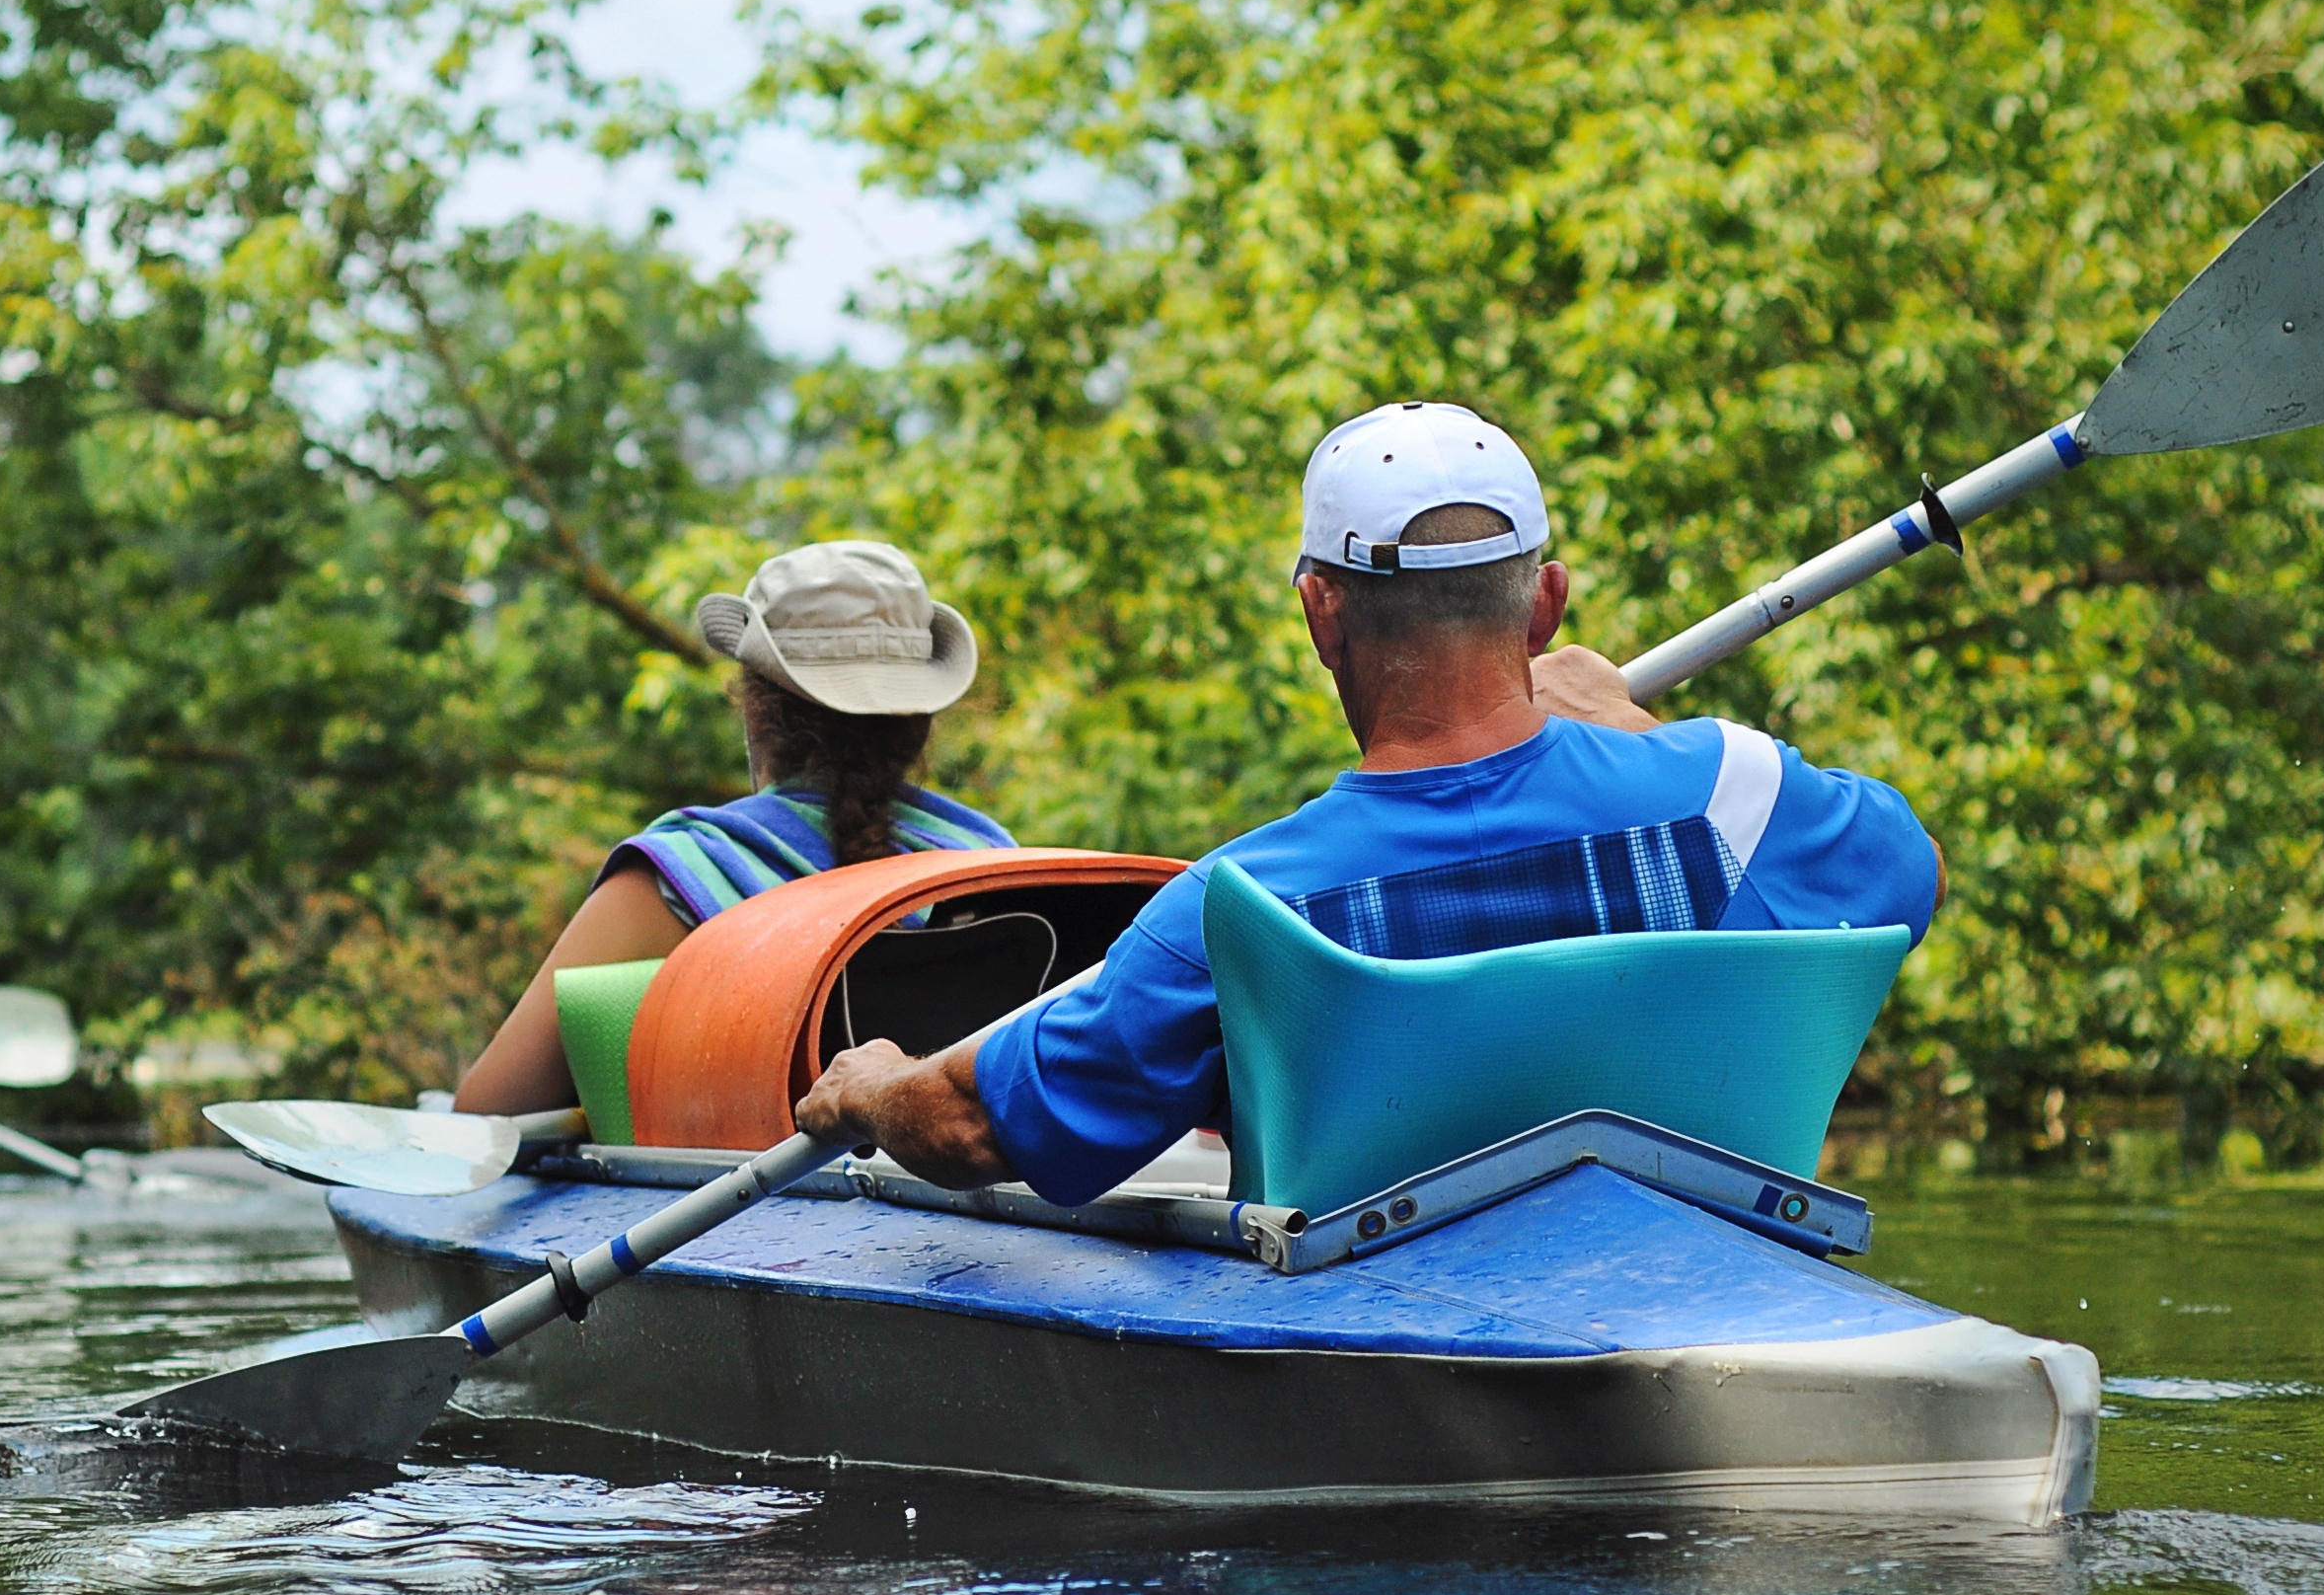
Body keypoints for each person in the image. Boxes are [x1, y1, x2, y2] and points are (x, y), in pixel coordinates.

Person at [791, 398, 1945, 1203]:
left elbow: (975, 1129)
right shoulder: (1737, 801)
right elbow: (1909, 870)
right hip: (1713, 1279)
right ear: (1544, 606)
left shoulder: (1241, 910)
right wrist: (1637, 733)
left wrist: (874, 1086)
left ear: (1320, 616)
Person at [451, 539, 1015, 1115]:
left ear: (754, 709)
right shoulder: (997, 865)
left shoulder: (682, 874)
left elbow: (485, 1112)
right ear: (918, 725)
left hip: (746, 1207)